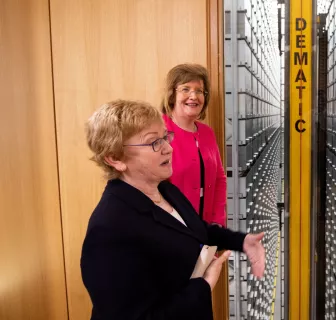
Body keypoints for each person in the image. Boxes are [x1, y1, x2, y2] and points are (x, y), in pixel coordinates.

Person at [81, 100, 265, 320]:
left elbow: (195, 230)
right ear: (116, 159)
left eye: (166, 137)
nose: (168, 148)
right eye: (154, 143)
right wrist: (204, 285)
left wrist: (242, 242)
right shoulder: (109, 228)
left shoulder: (165, 190)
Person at [160, 63, 226, 226]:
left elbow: (219, 179)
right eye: (185, 89)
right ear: (171, 94)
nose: (193, 96)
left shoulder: (207, 133)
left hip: (206, 225)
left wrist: (217, 222)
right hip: (171, 227)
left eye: (199, 91)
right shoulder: (159, 130)